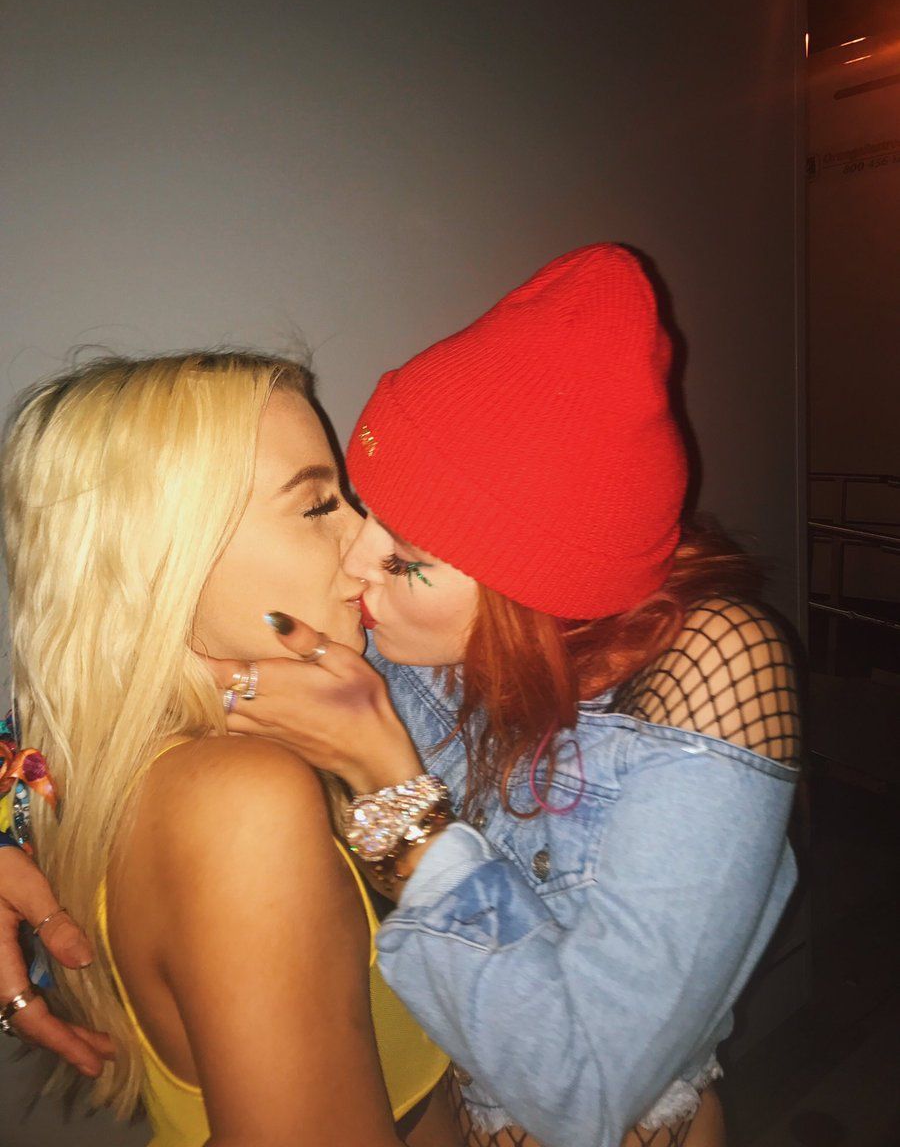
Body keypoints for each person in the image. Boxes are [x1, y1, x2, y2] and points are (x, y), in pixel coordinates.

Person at [0, 245, 800, 1147]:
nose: (355, 554)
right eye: (332, 504)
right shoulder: (267, 755)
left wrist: (393, 789)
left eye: (401, 549)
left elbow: (588, 1089)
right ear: (159, 561)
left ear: (523, 589)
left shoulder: (351, 678)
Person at [0, 352, 457, 1147]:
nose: (368, 540)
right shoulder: (238, 801)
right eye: (318, 505)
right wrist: (393, 778)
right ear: (157, 564)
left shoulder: (78, 763)